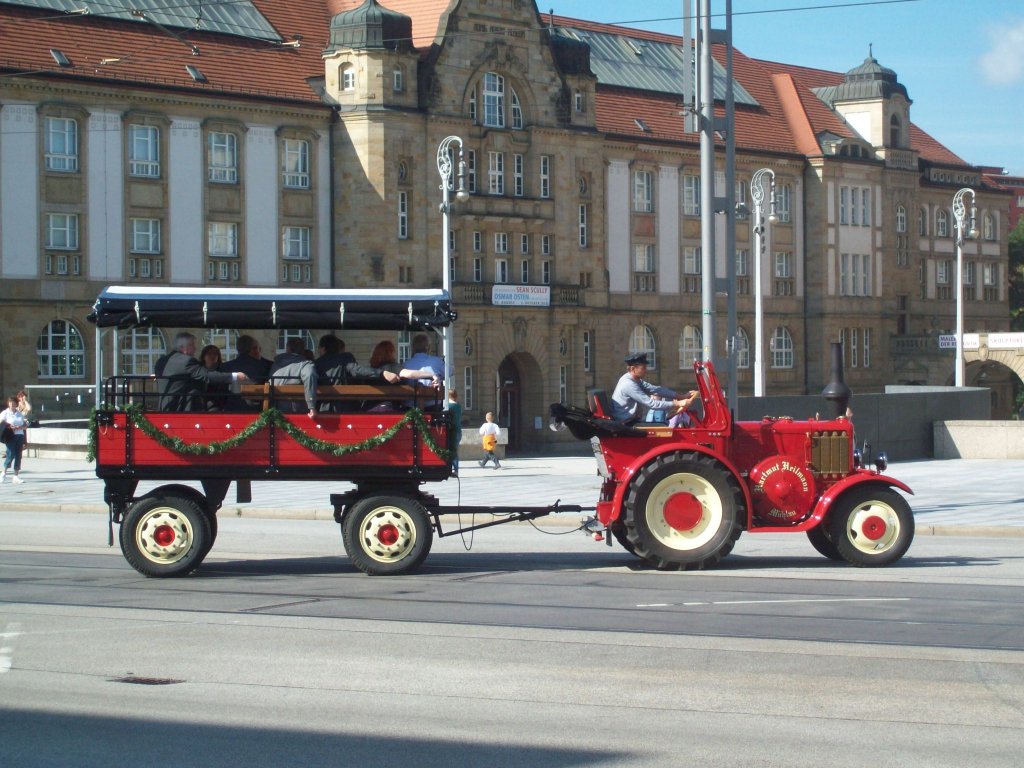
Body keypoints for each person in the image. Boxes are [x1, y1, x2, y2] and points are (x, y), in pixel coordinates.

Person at [155, 333, 247, 412]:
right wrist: (235, 376)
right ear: (183, 347)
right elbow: (207, 376)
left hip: (164, 407)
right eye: (191, 345)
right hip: (181, 408)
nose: (195, 348)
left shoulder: (161, 361)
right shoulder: (187, 361)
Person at [610, 352, 698, 424]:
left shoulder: (635, 380)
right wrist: (678, 403)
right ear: (633, 369)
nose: (646, 370)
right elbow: (651, 403)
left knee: (663, 425)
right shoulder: (628, 384)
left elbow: (656, 390)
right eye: (643, 367)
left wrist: (681, 396)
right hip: (626, 423)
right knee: (663, 427)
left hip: (631, 420)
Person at [270, 338, 319, 418]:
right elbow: (310, 375)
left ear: (288, 349)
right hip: (295, 409)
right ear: (303, 350)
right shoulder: (304, 364)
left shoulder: (276, 363)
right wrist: (312, 406)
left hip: (274, 407)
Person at [1, 395, 28, 484]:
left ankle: (16, 476)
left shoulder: (19, 414)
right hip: (10, 436)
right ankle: (3, 473)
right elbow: (1, 422)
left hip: (19, 435)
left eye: (13, 403)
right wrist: (9, 426)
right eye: (10, 403)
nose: (12, 404)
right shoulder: (5, 413)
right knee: (10, 453)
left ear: (16, 404)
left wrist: (22, 426)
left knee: (18, 456)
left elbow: (25, 425)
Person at [199, 344, 229, 411]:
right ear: (204, 356)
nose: (212, 356)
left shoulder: (222, 370)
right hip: (199, 402)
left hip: (216, 404)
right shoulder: (198, 370)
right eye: (209, 353)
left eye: (215, 354)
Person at [447, 389, 463, 474]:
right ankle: (455, 469)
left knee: (452, 450)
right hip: (458, 430)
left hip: (452, 431)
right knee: (455, 450)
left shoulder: (448, 406)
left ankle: (454, 469)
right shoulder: (458, 406)